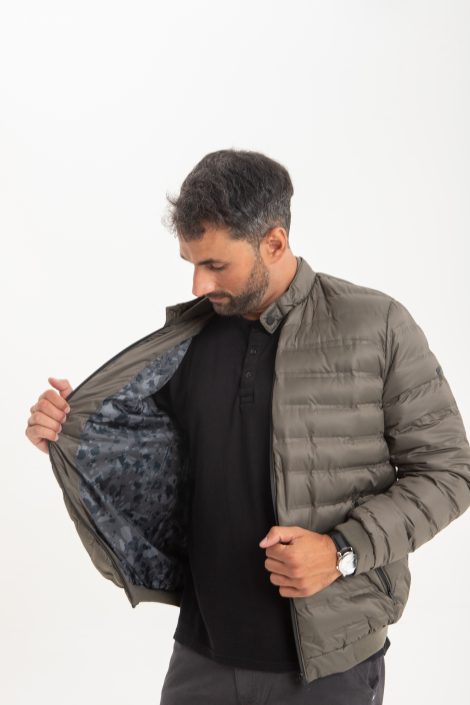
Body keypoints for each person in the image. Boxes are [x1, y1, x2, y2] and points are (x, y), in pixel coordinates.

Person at [25, 149, 470, 705]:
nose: (197, 284)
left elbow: (449, 473)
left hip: (328, 666)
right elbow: (144, 455)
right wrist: (70, 431)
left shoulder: (377, 325)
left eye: (215, 265)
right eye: (191, 262)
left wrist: (341, 551)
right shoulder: (187, 342)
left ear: (274, 243)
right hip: (200, 659)